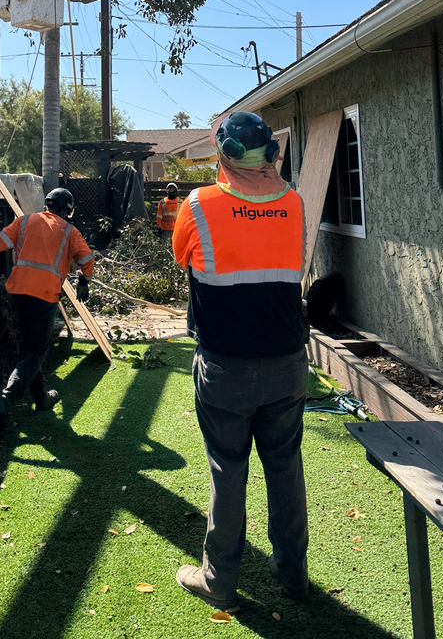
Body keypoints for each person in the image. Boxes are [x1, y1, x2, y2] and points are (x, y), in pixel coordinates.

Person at [172, 111, 309, 612]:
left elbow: (182, 257)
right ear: (271, 155)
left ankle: (219, 579)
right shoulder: (293, 202)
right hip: (288, 362)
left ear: (224, 154)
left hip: (227, 366)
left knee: (228, 470)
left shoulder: (198, 204)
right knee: (285, 466)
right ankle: (293, 574)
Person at [0, 187, 93, 430]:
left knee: (29, 350)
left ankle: (41, 397)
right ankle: (6, 400)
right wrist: (84, 282)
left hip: (18, 293)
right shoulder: (70, 231)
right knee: (36, 352)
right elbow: (87, 260)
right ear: (68, 211)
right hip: (45, 296)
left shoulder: (24, 221)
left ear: (47, 205)